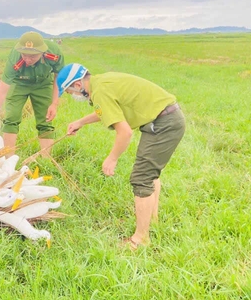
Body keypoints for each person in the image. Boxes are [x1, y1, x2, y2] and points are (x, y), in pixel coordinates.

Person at [56, 63, 186, 248]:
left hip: (164, 122)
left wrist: (112, 158)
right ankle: (153, 222)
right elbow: (108, 110)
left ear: (77, 85)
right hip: (167, 117)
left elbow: (124, 132)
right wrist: (81, 122)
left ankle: (140, 239)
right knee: (150, 174)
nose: (74, 96)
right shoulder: (102, 82)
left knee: (142, 178)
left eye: (70, 92)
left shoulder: (99, 91)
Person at [0, 31, 64, 158]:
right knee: (11, 118)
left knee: (45, 120)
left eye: (32, 56)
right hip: (19, 83)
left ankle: (46, 160)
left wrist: (54, 103)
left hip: (43, 83)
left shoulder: (54, 52)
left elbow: (59, 77)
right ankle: (8, 160)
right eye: (25, 55)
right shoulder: (15, 57)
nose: (28, 60)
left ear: (42, 52)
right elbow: (1, 92)